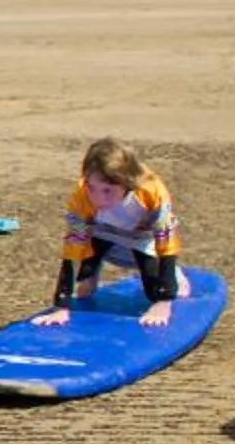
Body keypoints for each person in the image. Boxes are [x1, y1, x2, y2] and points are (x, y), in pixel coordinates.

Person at [31, 137, 188, 329]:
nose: (98, 198)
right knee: (82, 288)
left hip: (141, 239)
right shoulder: (81, 196)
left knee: (154, 291)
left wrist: (163, 301)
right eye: (92, 188)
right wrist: (62, 305)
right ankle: (90, 277)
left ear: (127, 184)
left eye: (108, 190)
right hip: (101, 233)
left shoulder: (151, 192)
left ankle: (174, 276)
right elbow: (73, 248)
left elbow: (167, 242)